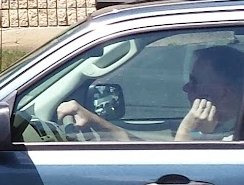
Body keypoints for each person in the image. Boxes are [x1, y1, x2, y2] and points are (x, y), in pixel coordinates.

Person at [57, 45, 244, 141]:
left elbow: (175, 178)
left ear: (224, 93)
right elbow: (141, 149)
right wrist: (93, 120)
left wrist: (186, 130)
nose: (186, 88)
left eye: (195, 82)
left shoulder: (232, 140)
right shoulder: (219, 127)